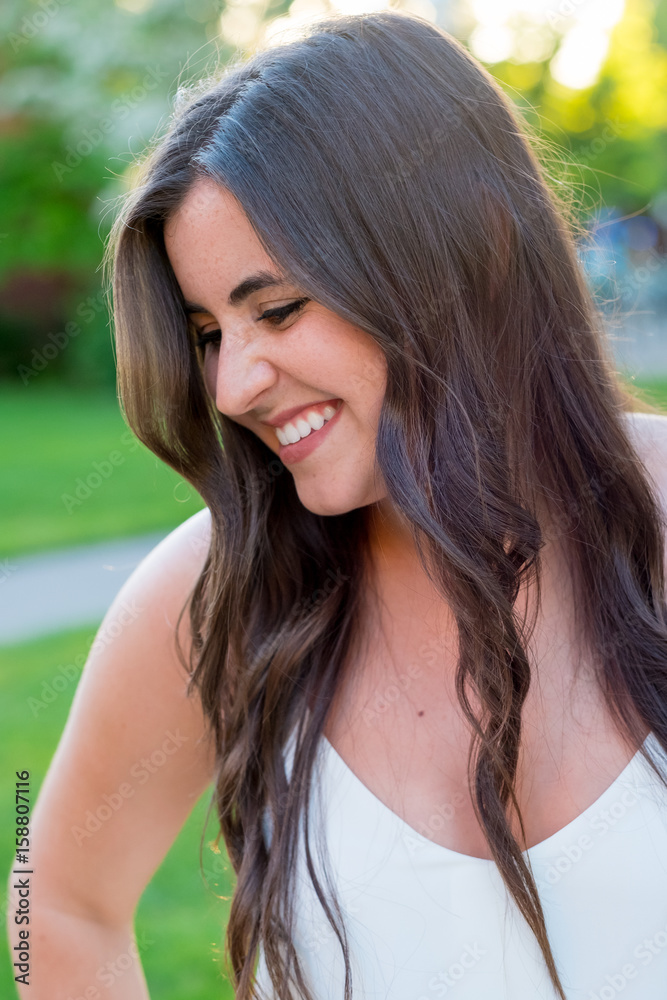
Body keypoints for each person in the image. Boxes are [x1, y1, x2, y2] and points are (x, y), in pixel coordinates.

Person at [11, 9, 667, 1000]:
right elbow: (49, 896)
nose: (232, 386)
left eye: (277, 309)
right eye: (208, 333)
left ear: (475, 248)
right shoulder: (213, 593)